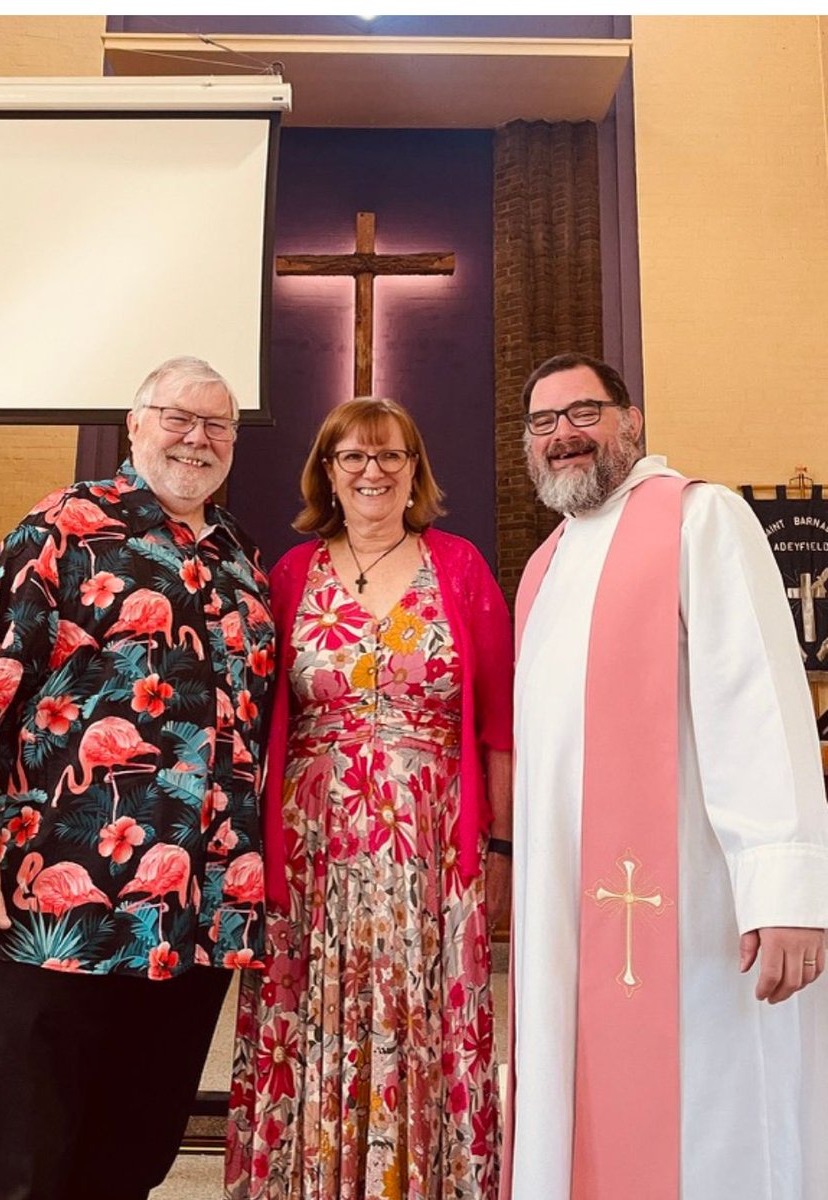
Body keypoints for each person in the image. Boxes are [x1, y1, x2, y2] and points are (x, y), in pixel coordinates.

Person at [0, 355, 275, 1200]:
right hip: (62, 908)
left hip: (194, 921)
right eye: (178, 417)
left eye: (217, 424)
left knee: (135, 1155)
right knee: (27, 1159)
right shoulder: (60, 530)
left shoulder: (240, 561)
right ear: (134, 423)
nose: (197, 438)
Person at [504, 351, 828, 1200]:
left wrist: (786, 889)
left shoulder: (700, 518)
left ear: (632, 420)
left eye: (584, 413)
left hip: (695, 908)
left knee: (712, 1122)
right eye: (544, 423)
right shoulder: (544, 568)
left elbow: (757, 697)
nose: (564, 436)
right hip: (572, 911)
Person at [225, 397, 514, 1199]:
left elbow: (500, 724)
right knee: (314, 1016)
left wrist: (499, 848)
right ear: (327, 472)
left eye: (390, 457)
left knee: (419, 1015)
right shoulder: (289, 574)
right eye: (352, 457)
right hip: (313, 847)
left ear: (415, 470)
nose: (372, 472)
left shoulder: (457, 566)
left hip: (430, 842)